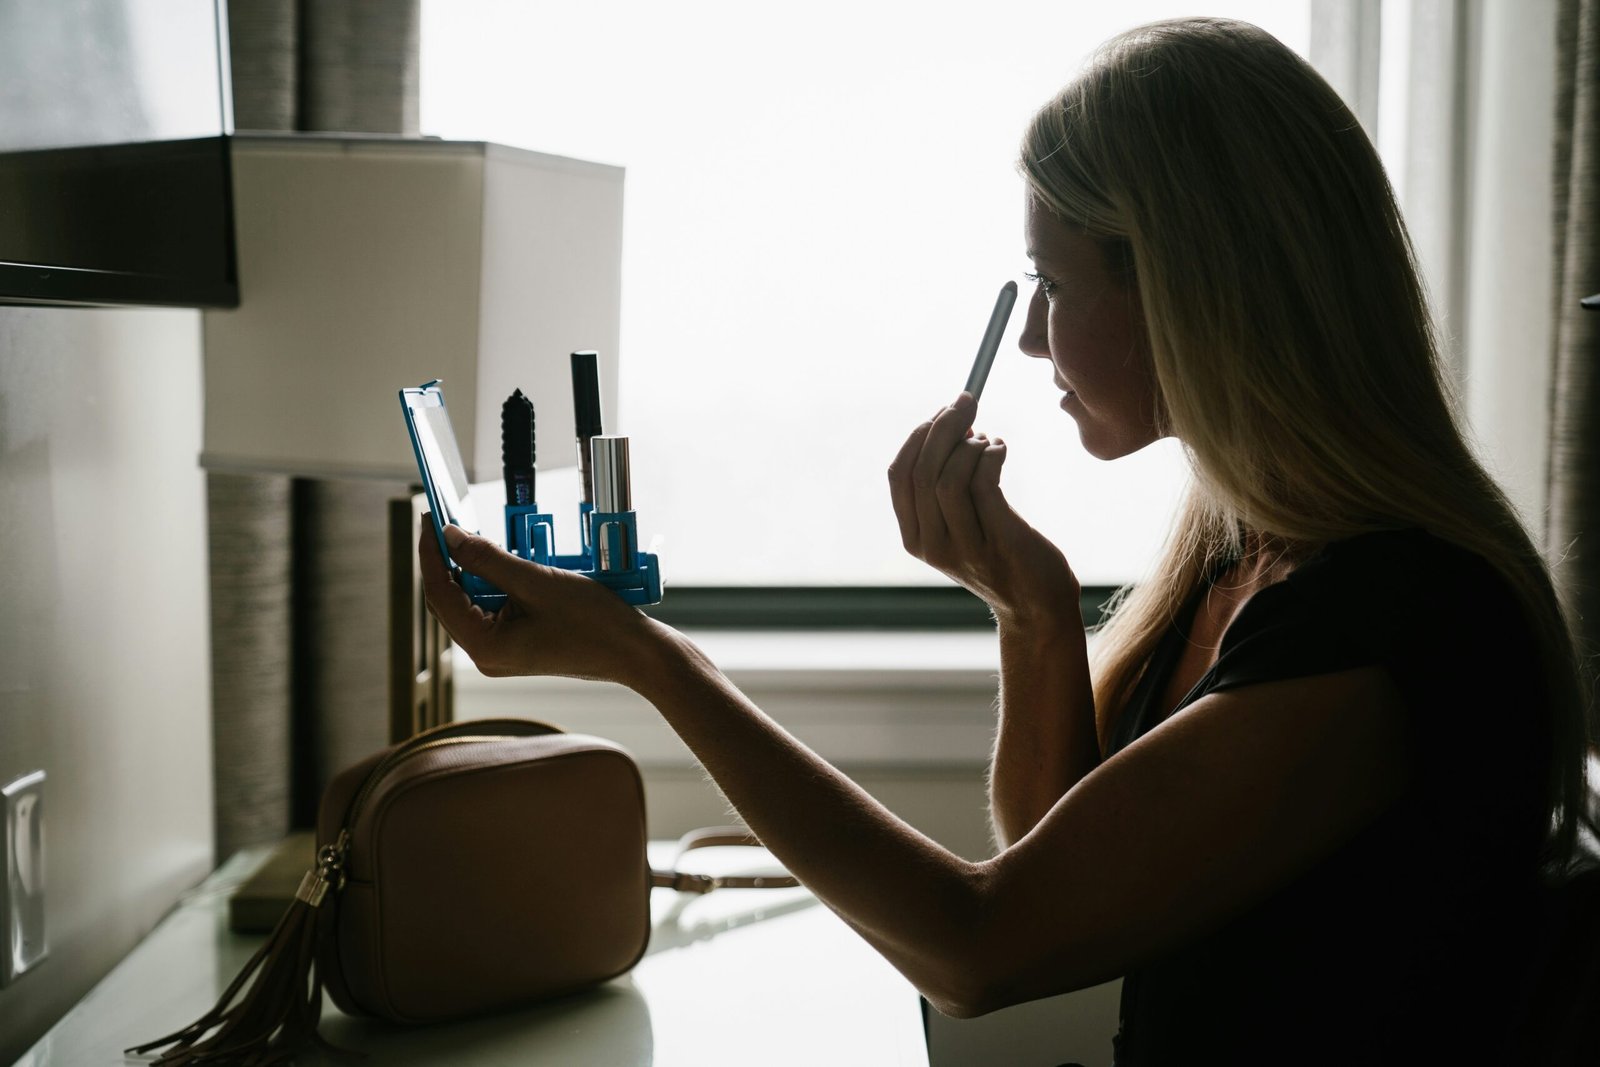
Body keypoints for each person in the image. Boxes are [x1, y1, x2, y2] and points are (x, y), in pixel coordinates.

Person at [420, 16, 1596, 1064]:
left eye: (1050, 284)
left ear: (1189, 290)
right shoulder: (1248, 553)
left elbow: (982, 947)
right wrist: (1030, 613)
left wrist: (650, 658)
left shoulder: (1395, 619)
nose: (1031, 341)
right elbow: (1065, 864)